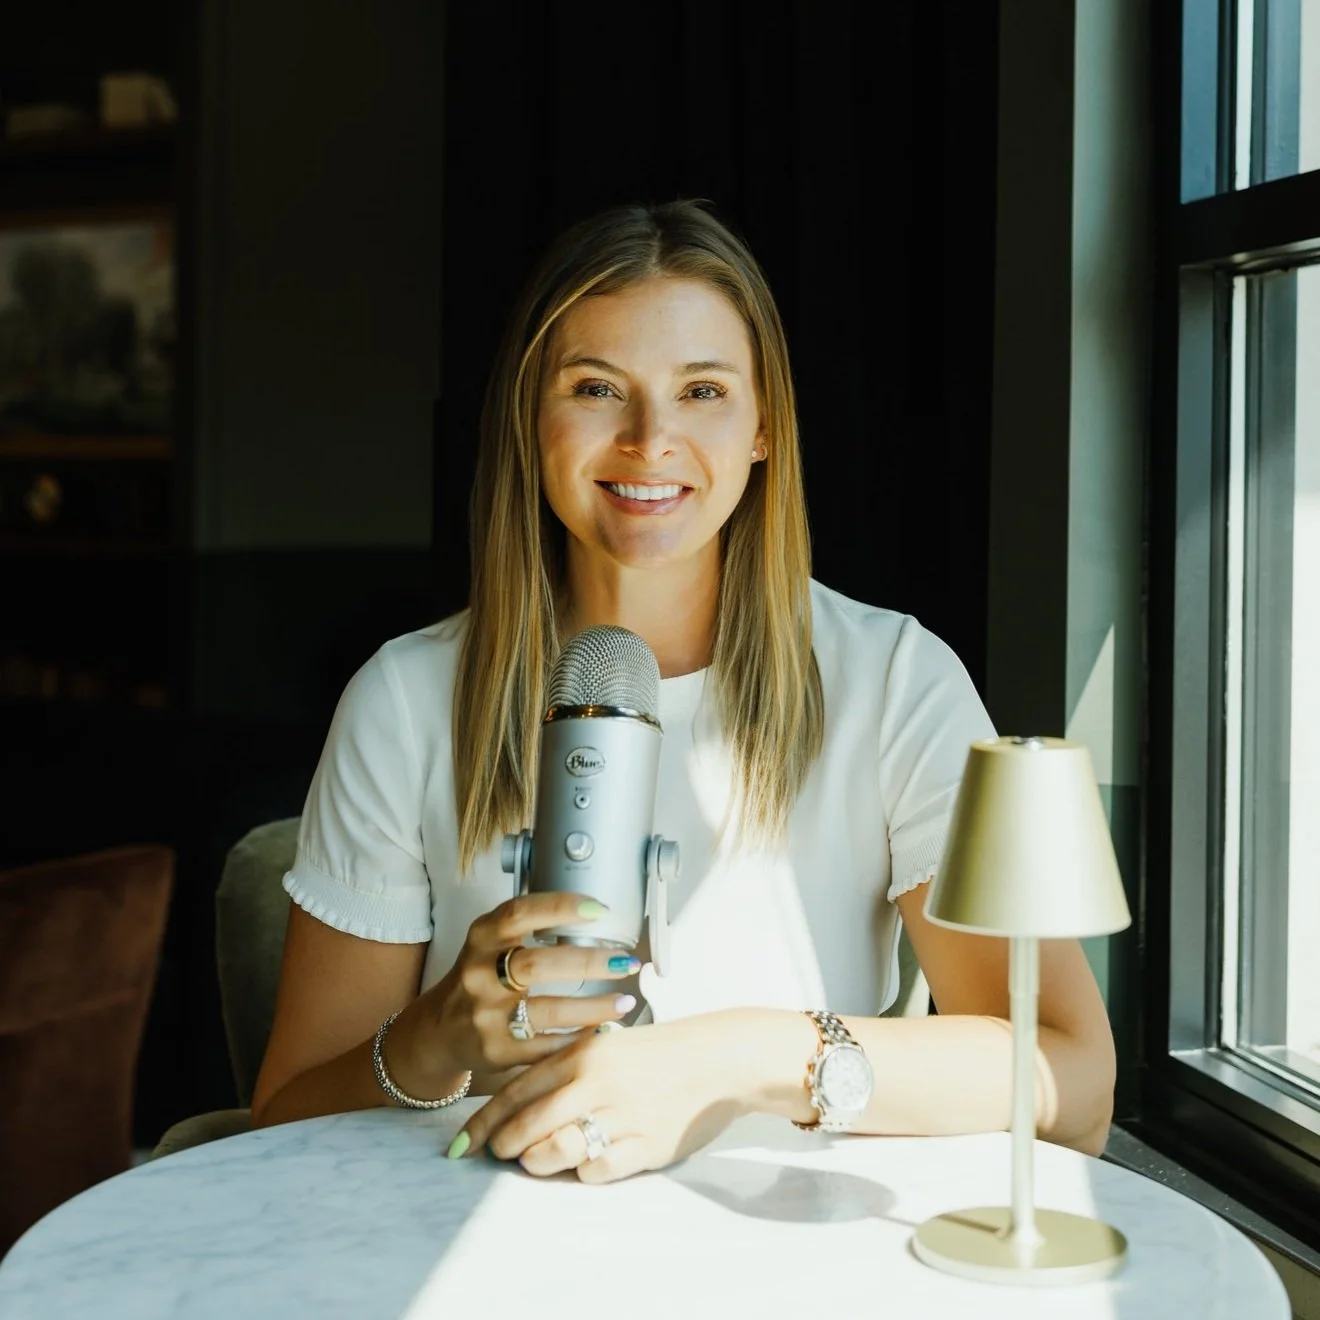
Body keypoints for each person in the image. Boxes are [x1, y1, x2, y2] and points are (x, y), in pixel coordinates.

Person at [250, 200, 1116, 1180]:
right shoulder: (403, 700)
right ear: (533, 420)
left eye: (702, 390)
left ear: (762, 428)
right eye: (595, 388)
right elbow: (282, 1124)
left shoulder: (896, 680)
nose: (649, 438)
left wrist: (733, 1061)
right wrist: (435, 1036)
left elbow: (1073, 1081)